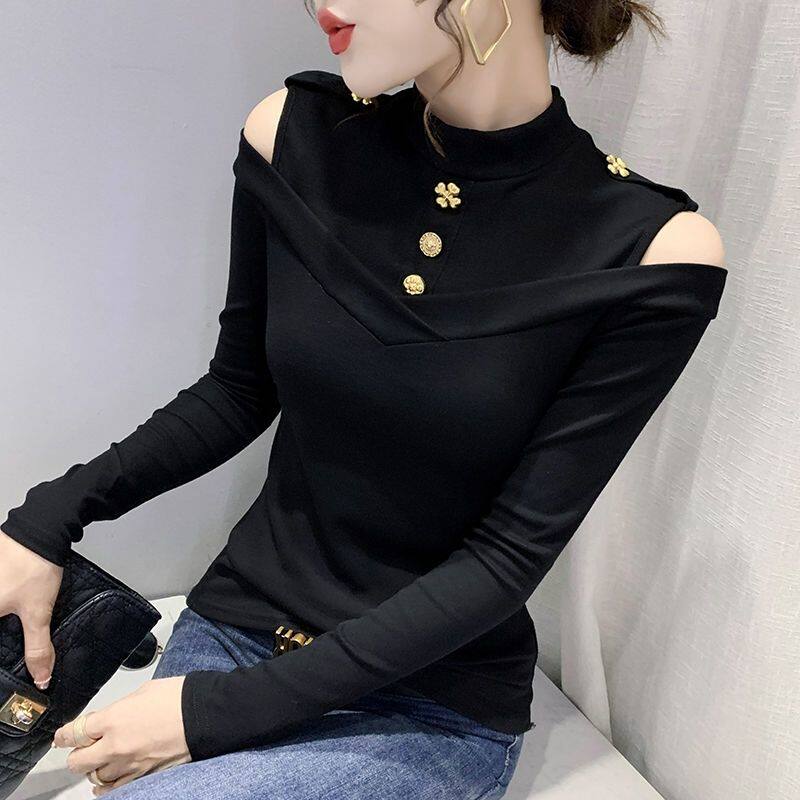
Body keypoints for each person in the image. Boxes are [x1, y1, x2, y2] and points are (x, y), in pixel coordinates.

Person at [0, 1, 728, 798]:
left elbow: (507, 558)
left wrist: (213, 715)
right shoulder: (293, 134)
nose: (324, 4)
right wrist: (45, 521)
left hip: (426, 703)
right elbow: (237, 390)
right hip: (234, 633)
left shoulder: (649, 250)